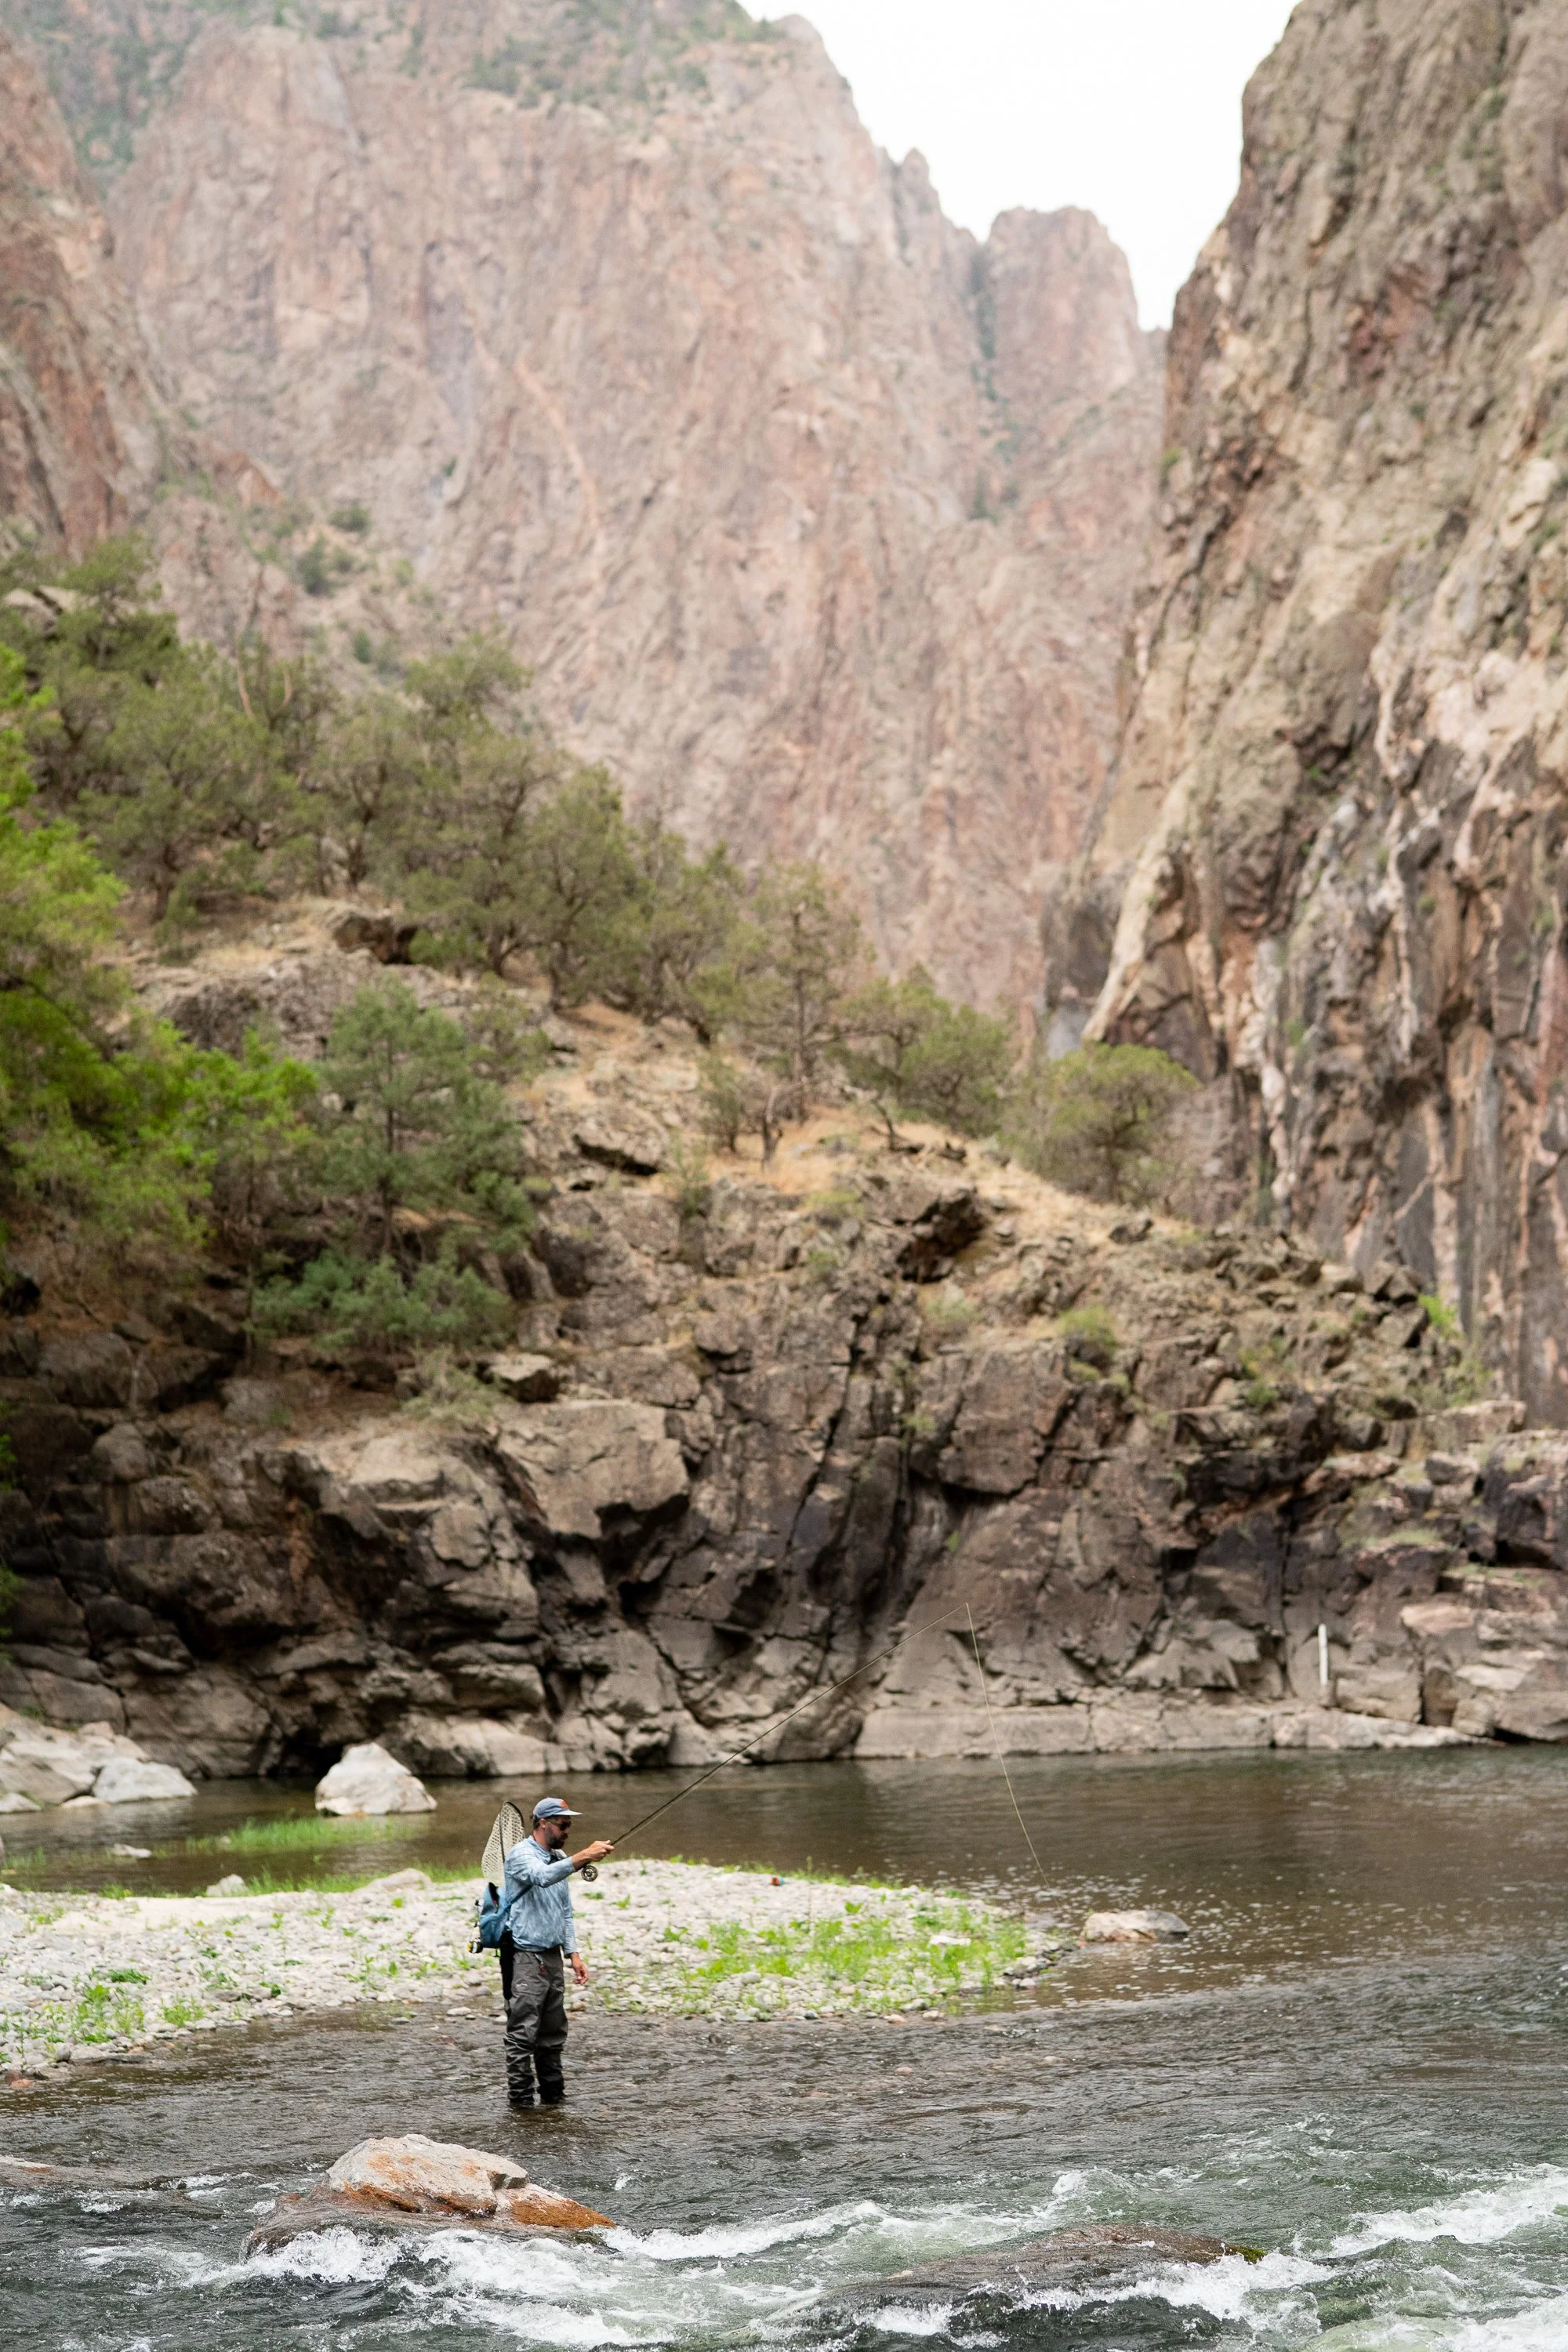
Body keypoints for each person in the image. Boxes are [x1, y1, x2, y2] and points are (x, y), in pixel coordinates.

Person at [500, 1796, 613, 2108]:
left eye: (569, 1826)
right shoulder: (521, 1855)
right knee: (523, 2034)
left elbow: (565, 1911)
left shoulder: (559, 1855)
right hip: (524, 1956)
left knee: (553, 2034)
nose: (567, 1831)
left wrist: (573, 1954)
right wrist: (583, 1856)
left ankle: (554, 2098)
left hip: (551, 1956)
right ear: (543, 1824)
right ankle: (521, 2104)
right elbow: (542, 1877)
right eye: (562, 1825)